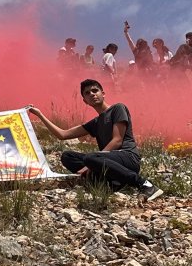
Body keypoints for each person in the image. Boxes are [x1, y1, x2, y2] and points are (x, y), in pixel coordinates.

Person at [27, 79, 163, 200]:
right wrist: (39, 115)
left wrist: (89, 164)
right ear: (85, 101)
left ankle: (145, 184)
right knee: (67, 156)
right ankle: (112, 183)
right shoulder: (96, 122)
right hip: (107, 161)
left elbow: (117, 141)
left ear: (103, 93)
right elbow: (63, 134)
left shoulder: (118, 108)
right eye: (87, 93)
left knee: (91, 158)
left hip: (128, 158)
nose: (92, 94)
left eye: (95, 90)